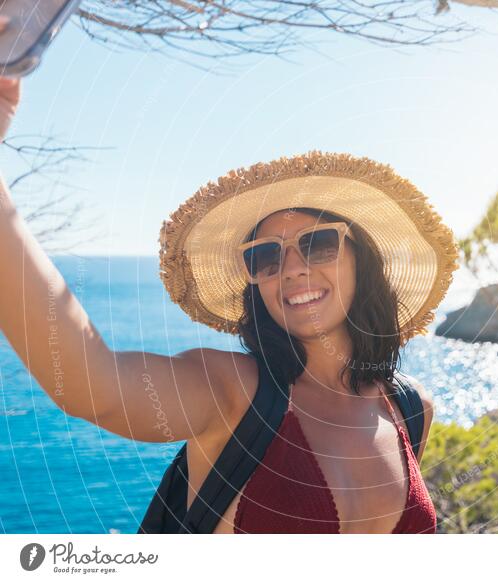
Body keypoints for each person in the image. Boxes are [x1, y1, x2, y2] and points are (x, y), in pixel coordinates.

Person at [0, 76, 460, 533]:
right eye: (266, 256)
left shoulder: (410, 408)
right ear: (254, 282)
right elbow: (91, 386)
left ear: (362, 259)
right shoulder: (231, 392)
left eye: (318, 243)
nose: (293, 268)